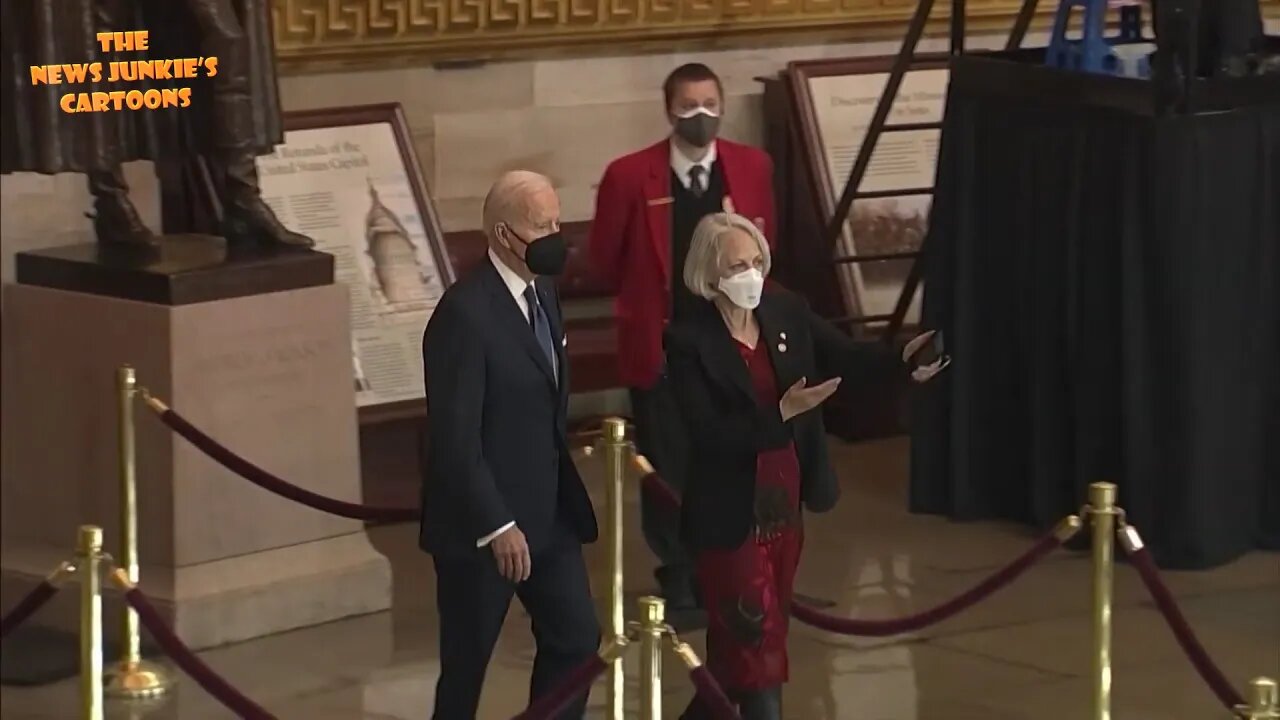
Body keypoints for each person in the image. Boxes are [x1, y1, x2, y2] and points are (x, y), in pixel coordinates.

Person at [665, 213, 945, 720]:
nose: (751, 274)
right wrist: (780, 413)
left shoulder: (785, 311)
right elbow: (708, 434)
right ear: (709, 274)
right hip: (729, 515)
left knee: (738, 659)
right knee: (758, 650)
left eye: (756, 262)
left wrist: (901, 362)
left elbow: (846, 357)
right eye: (737, 266)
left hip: (783, 504)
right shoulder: (688, 341)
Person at [588, 63, 776, 619]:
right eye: (689, 105)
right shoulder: (629, 175)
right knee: (669, 465)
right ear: (669, 109)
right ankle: (680, 578)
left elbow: (767, 248)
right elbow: (604, 258)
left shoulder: (752, 166)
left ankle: (738, 573)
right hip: (663, 346)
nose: (701, 115)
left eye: (710, 103)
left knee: (735, 457)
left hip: (731, 343)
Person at [420, 171, 600, 720]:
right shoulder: (463, 314)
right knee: (465, 672)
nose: (555, 236)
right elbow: (454, 437)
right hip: (483, 527)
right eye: (542, 226)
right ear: (503, 234)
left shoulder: (542, 291)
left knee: (577, 640)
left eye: (557, 222)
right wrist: (497, 524)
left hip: (547, 514)